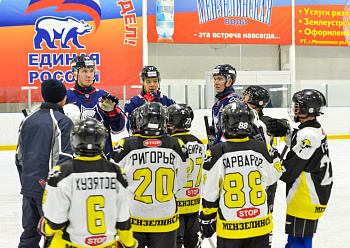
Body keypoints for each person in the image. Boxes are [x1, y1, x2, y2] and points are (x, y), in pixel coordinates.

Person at [38, 117, 137, 248]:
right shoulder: (117, 172)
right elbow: (123, 219)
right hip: (107, 244)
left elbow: (54, 222)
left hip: (70, 244)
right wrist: (129, 242)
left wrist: (45, 227)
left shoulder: (61, 173)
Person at [199, 101, 282, 248]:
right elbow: (274, 176)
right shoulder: (261, 148)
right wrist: (269, 150)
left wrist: (207, 216)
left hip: (230, 227)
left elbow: (210, 192)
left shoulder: (217, 152)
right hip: (260, 224)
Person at [112, 102, 189, 248]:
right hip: (166, 218)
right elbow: (181, 181)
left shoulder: (125, 145)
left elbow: (115, 184)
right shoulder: (176, 145)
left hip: (134, 217)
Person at [15, 78, 74, 248]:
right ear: (63, 98)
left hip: (29, 188)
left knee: (29, 234)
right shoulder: (62, 121)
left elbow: (19, 157)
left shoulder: (27, 120)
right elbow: (64, 159)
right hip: (50, 191)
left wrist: (27, 182)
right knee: (55, 236)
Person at [280, 89, 333, 248]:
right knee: (294, 239)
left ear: (307, 110)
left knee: (300, 241)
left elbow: (288, 172)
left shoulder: (308, 135)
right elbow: (301, 147)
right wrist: (287, 133)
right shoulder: (313, 130)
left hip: (306, 196)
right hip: (312, 194)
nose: (294, 109)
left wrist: (273, 159)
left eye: (298, 106)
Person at [242, 85, 291, 247]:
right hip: (245, 173)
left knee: (266, 212)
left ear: (256, 101)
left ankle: (266, 242)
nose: (243, 100)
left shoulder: (267, 122)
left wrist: (285, 125)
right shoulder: (240, 120)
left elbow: (288, 130)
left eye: (246, 97)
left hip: (266, 175)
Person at [66, 55, 125, 158]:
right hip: (76, 160)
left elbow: (119, 128)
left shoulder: (104, 97)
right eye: (84, 71)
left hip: (102, 159)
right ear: (75, 74)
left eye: (91, 71)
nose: (89, 75)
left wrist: (113, 113)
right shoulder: (66, 97)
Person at [167, 103, 206, 248]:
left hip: (176, 203)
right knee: (192, 240)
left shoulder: (171, 144)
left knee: (175, 241)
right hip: (194, 201)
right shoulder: (199, 143)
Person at [124, 65, 175, 133]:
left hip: (164, 142)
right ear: (143, 82)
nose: (152, 84)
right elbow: (130, 130)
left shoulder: (169, 102)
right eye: (148, 81)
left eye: (155, 81)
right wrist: (146, 106)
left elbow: (174, 128)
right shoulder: (132, 103)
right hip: (142, 142)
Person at [209, 64, 241, 147]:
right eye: (215, 79)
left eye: (220, 79)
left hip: (229, 151)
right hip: (219, 150)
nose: (216, 83)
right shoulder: (217, 104)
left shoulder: (234, 102)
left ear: (229, 81)